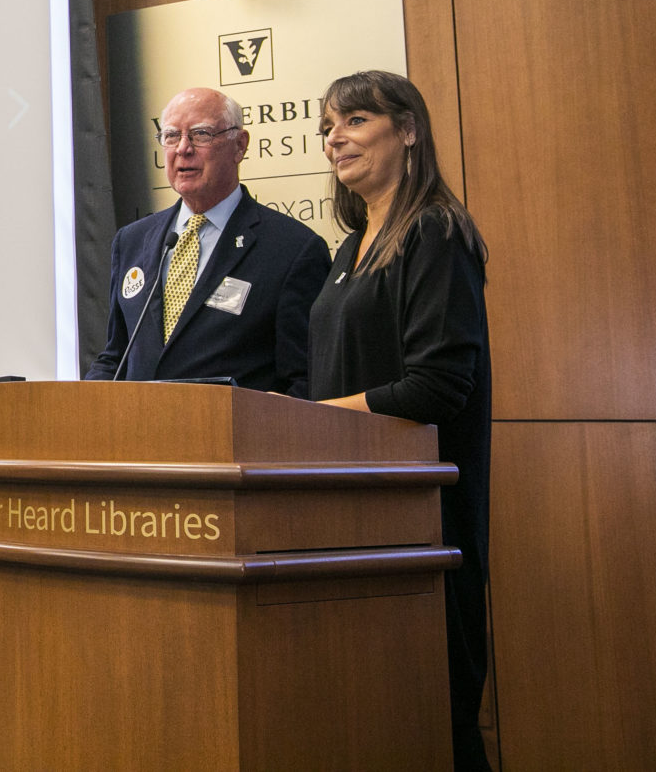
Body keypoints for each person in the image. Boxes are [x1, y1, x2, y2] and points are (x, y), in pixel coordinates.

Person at [307, 70, 491, 772]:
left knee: (429, 723)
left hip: (419, 525)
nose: (334, 138)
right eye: (327, 125)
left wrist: (309, 420)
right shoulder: (349, 247)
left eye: (354, 120)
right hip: (348, 515)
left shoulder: (435, 231)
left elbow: (439, 385)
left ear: (409, 129)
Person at [88, 87, 330, 395]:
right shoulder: (132, 240)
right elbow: (116, 356)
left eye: (201, 134)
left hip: (233, 438)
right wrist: (84, 407)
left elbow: (305, 380)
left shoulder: (293, 249)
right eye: (171, 136)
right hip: (139, 435)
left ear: (239, 145)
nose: (183, 149)